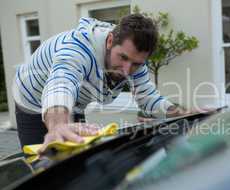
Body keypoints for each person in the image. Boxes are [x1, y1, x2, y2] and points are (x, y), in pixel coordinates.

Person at [13, 14, 191, 153]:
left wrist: (183, 114)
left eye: (136, 63)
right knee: (43, 163)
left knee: (76, 156)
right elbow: (61, 83)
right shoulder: (77, 49)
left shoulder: (135, 62)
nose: (127, 71)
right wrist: (58, 125)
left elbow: (147, 96)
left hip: (74, 103)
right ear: (110, 41)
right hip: (32, 99)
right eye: (123, 58)